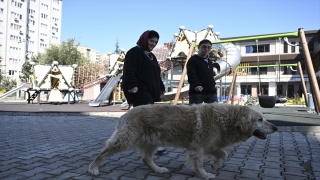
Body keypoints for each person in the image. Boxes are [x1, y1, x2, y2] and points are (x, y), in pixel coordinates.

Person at [121, 30, 167, 155]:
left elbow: (156, 73)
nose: (153, 44)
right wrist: (132, 85)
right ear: (144, 39)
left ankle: (137, 140)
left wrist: (161, 86)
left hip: (149, 91)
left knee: (144, 119)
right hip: (139, 90)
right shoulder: (134, 52)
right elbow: (129, 70)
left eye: (155, 42)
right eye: (151, 40)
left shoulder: (151, 56)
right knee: (148, 118)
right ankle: (150, 145)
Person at [187, 39, 218, 104]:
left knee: (214, 112)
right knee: (194, 112)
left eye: (209, 47)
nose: (206, 49)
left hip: (211, 92)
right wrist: (197, 85)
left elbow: (210, 76)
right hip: (197, 92)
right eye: (204, 47)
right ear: (199, 47)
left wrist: (213, 86)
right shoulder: (193, 60)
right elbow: (191, 75)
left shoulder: (209, 61)